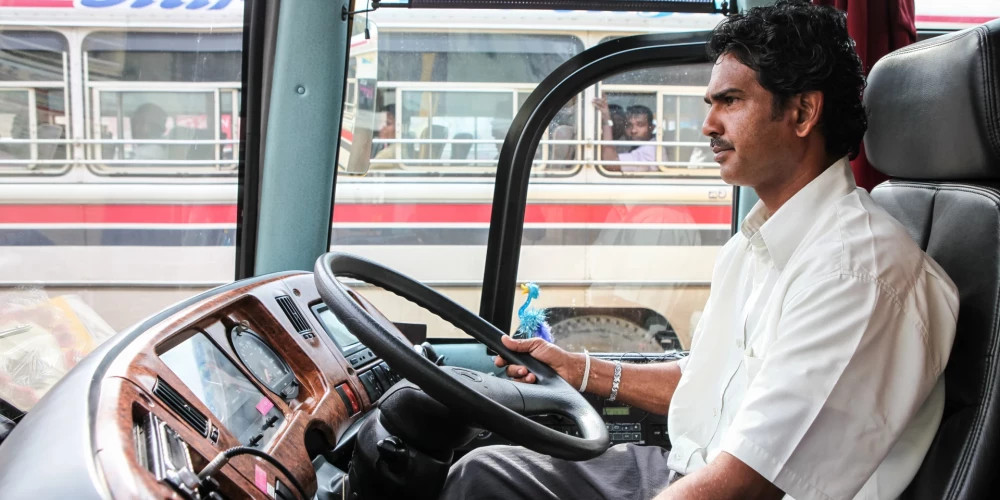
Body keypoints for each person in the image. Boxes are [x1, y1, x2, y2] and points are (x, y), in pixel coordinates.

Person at [441, 2, 959, 499]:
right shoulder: (756, 245)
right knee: (483, 472)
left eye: (730, 101)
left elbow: (745, 485)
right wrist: (580, 369)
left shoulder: (857, 274)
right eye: (710, 104)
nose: (708, 126)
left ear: (803, 112)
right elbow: (713, 384)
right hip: (687, 469)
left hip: (724, 488)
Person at [593, 97, 658, 172]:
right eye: (629, 125)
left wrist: (606, 120)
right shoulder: (636, 146)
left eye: (640, 125)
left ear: (652, 128)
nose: (633, 130)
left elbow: (610, 163)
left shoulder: (650, 150)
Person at [371, 104, 401, 169]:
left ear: (399, 127)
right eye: (380, 122)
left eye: (388, 123)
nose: (381, 127)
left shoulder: (392, 152)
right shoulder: (376, 144)